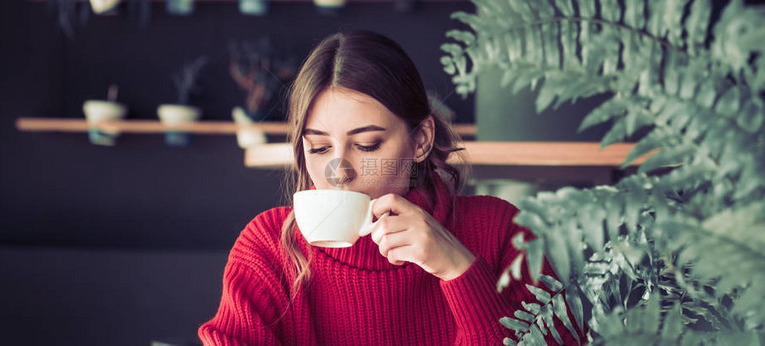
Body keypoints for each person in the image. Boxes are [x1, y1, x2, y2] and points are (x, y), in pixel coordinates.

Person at [199, 30, 581, 345]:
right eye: (318, 147)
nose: (338, 172)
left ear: (421, 140)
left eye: (366, 145)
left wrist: (459, 271)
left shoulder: (501, 232)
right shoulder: (269, 249)